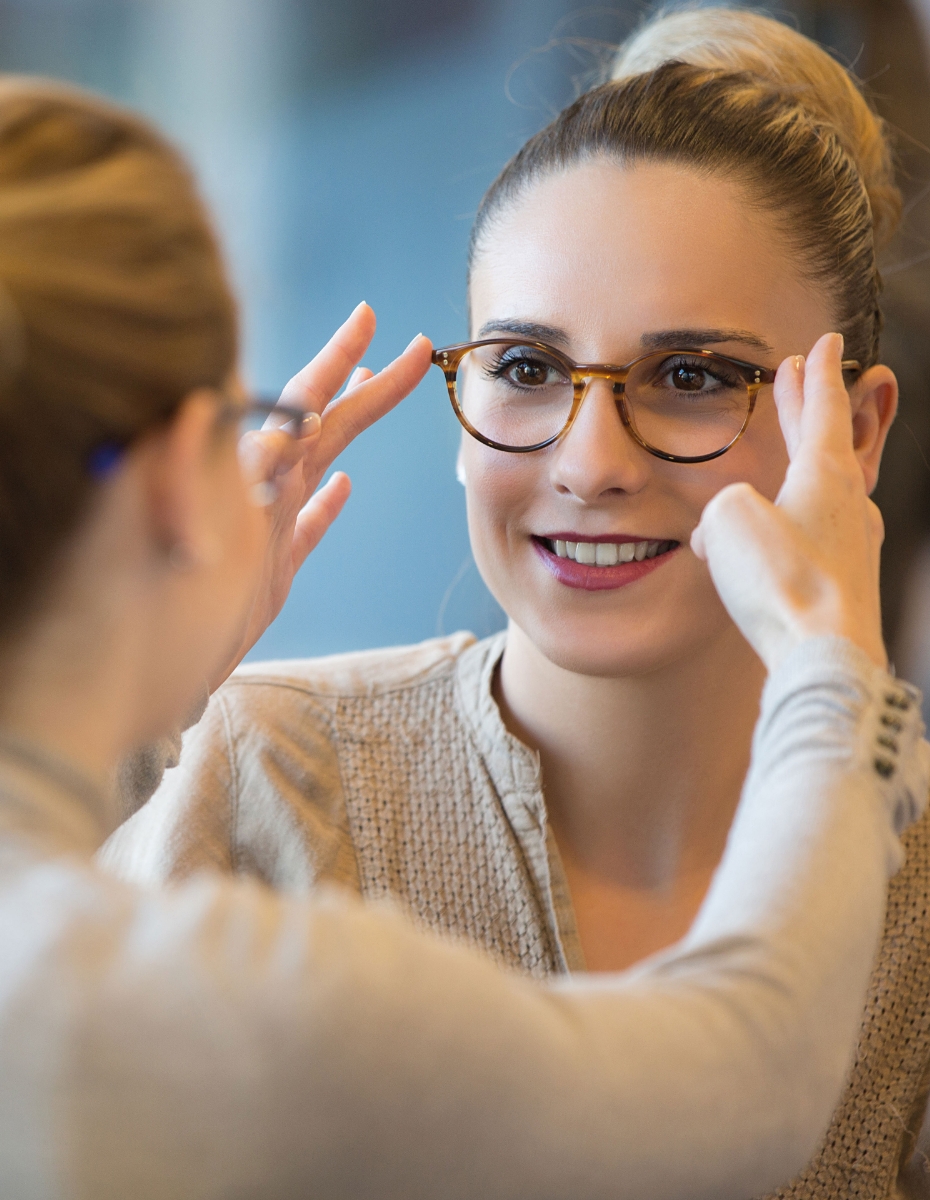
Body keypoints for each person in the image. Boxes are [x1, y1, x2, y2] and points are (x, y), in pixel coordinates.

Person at [102, 8, 930, 1197]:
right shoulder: (253, 778)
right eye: (528, 370)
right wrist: (123, 705)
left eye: (692, 377)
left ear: (851, 437)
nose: (589, 462)